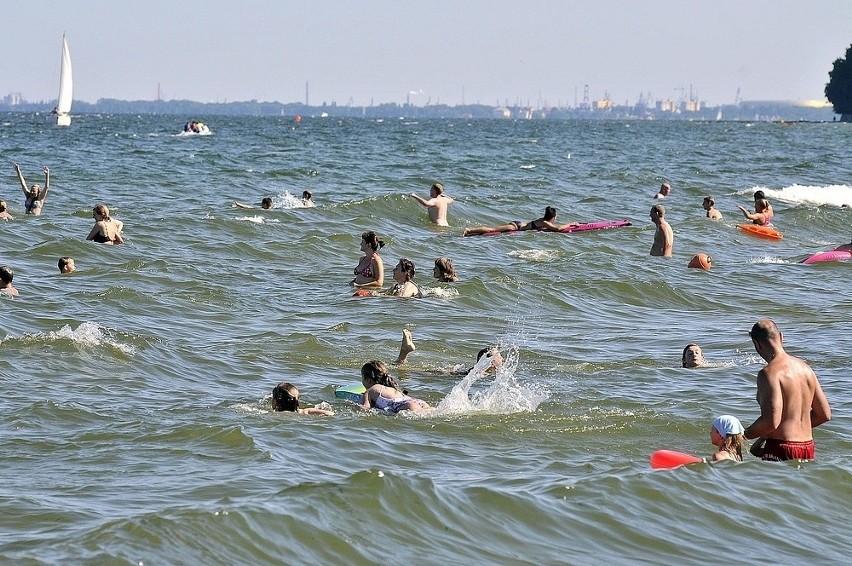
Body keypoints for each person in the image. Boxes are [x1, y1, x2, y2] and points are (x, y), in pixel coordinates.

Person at [743, 319, 831, 461]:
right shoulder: (806, 368)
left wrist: (743, 435)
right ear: (782, 337)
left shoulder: (768, 373)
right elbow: (824, 414)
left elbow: (771, 422)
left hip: (781, 447)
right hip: (807, 447)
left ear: (756, 344)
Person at [360, 360, 430, 414]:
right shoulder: (393, 388)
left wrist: (351, 404)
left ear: (368, 380)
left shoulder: (371, 390)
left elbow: (364, 409)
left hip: (407, 406)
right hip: (419, 402)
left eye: (362, 377)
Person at [463, 206, 576, 236]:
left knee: (492, 230)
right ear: (553, 217)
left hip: (518, 224)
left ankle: (473, 232)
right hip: (515, 227)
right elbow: (558, 229)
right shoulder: (545, 222)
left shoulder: (544, 221)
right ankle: (469, 230)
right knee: (492, 229)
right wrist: (571, 223)